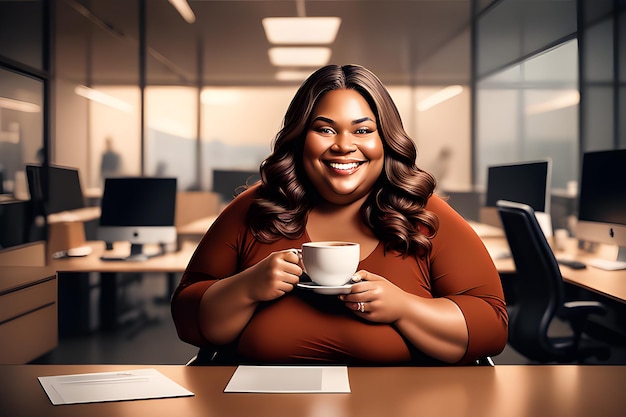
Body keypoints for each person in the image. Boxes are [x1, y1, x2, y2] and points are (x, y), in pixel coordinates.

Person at [171, 64, 508, 365]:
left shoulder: (424, 212)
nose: (344, 146)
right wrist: (247, 287)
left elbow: (492, 325)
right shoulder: (255, 206)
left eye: (362, 130)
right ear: (301, 138)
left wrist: (404, 307)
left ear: (386, 141)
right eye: (325, 129)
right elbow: (186, 317)